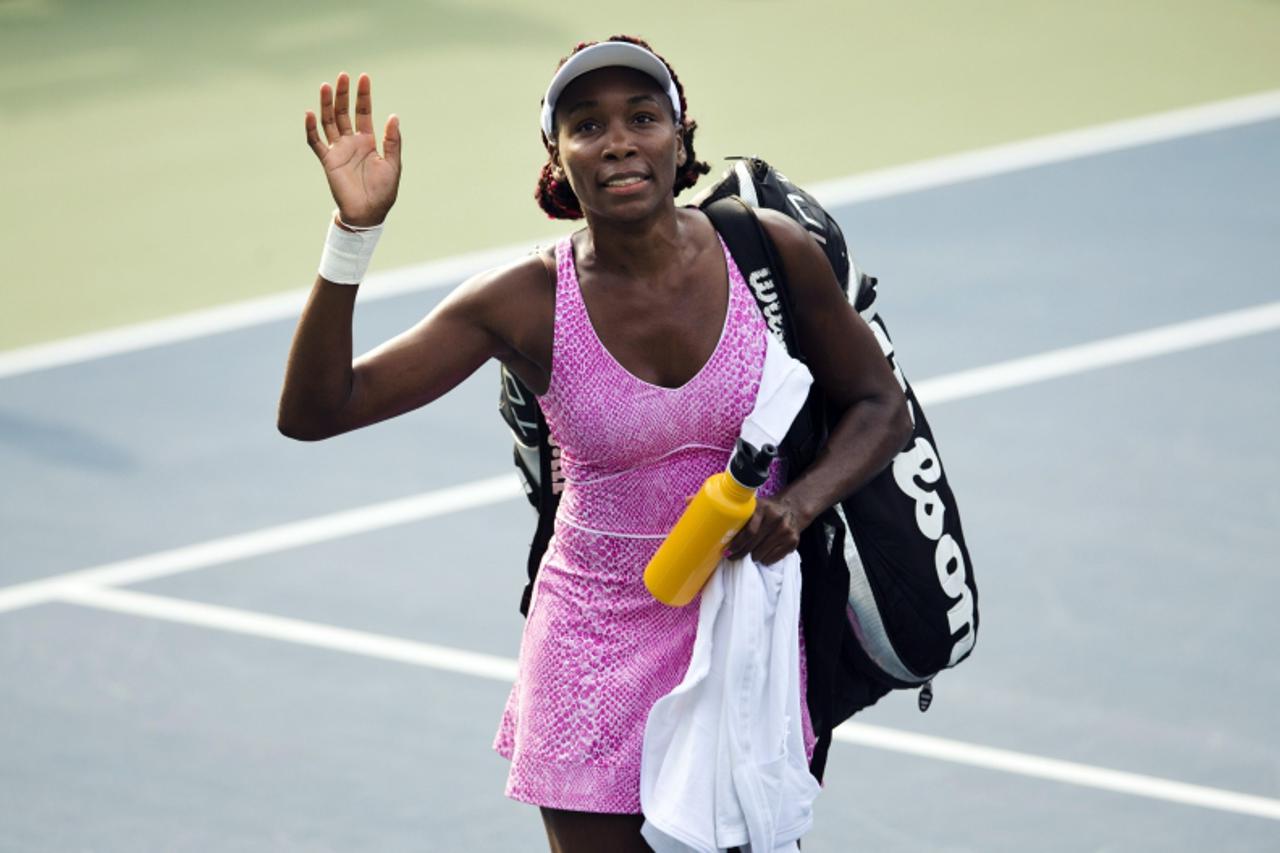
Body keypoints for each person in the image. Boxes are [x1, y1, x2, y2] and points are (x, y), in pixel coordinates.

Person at [279, 35, 911, 853]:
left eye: (642, 117)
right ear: (557, 157)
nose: (617, 140)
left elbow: (878, 407)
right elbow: (319, 407)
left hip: (743, 638)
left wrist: (796, 504)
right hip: (592, 653)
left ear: (680, 139)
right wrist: (351, 236)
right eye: (586, 124)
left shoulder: (767, 252)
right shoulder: (525, 301)